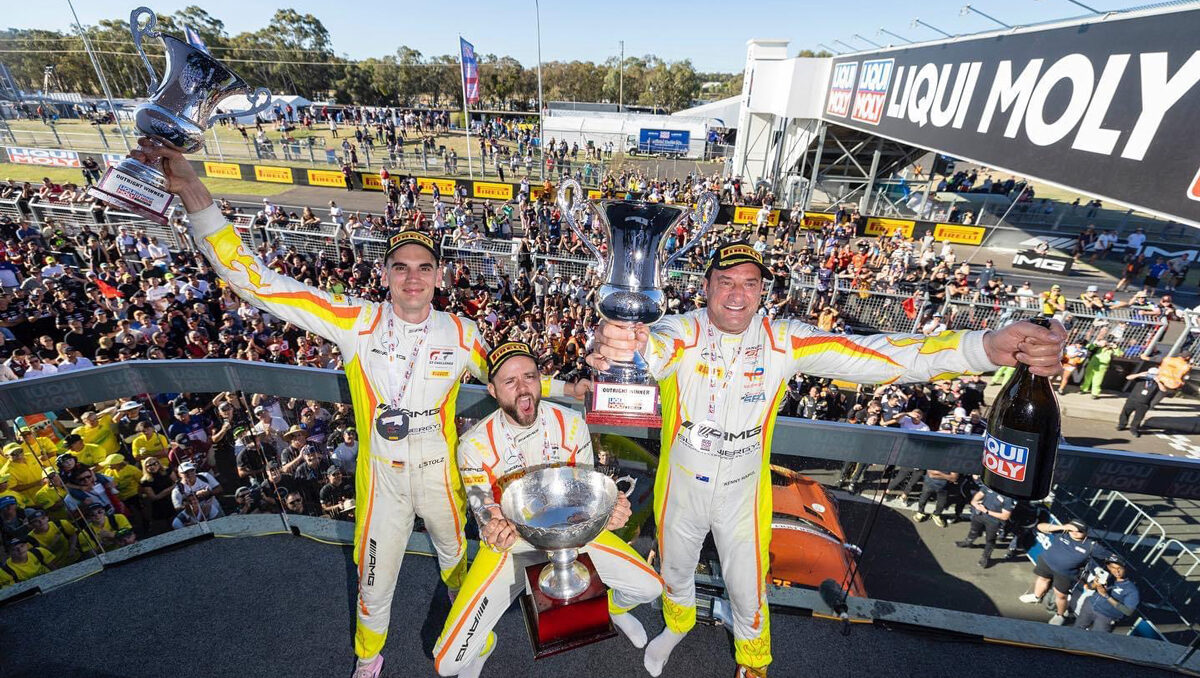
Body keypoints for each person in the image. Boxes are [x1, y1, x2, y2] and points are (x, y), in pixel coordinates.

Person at [128, 136, 588, 678]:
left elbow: (514, 378)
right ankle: (368, 660)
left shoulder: (462, 331)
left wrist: (569, 392)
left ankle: (471, 639)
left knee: (460, 564)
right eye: (400, 267)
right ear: (385, 275)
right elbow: (255, 282)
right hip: (382, 476)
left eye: (423, 267)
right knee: (374, 578)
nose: (412, 277)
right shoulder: (355, 320)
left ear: (440, 276)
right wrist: (194, 193)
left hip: (443, 474)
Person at [588, 242, 1066, 677]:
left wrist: (982, 348)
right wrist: (618, 345)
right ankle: (677, 625)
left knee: (748, 586)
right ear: (707, 285)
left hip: (742, 490)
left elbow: (882, 356)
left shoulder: (784, 340)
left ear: (763, 291)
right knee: (674, 567)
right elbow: (649, 348)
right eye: (726, 281)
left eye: (750, 283)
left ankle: (753, 664)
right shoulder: (680, 329)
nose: (737, 294)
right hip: (682, 484)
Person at [433, 342, 661, 678]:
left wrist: (608, 513)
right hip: (511, 547)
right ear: (493, 391)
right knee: (446, 663)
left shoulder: (570, 423)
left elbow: (585, 496)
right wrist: (491, 525)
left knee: (650, 588)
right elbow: (484, 508)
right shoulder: (474, 444)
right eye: (510, 382)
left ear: (541, 380)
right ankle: (483, 643)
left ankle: (610, 608)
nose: (523, 387)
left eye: (529, 376)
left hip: (572, 537)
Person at [1018, 519, 1112, 625]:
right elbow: (1040, 527)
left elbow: (1111, 557)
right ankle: (1036, 597)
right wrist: (1063, 527)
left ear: (1086, 533)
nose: (1075, 532)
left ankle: (1060, 615)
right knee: (1042, 579)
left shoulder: (1091, 546)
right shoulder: (1062, 532)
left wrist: (1109, 570)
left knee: (1061, 595)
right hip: (1046, 562)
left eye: (1080, 531)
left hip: (1065, 574)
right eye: (1072, 529)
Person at [955, 484, 1015, 569]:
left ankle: (985, 557)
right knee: (973, 530)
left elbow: (1005, 516)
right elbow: (979, 494)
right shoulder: (989, 487)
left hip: (994, 522)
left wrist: (987, 511)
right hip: (979, 515)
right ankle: (968, 542)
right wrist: (975, 503)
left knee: (990, 540)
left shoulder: (1008, 497)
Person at [1075, 555, 1139, 632]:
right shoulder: (1106, 575)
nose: (1117, 571)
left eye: (1119, 568)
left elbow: (1128, 611)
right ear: (1109, 567)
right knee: (1076, 631)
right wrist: (1094, 584)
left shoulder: (1131, 589)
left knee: (1097, 640)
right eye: (1113, 568)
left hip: (1106, 617)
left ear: (1124, 568)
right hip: (1089, 606)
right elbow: (1089, 587)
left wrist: (1106, 596)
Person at [1118, 367, 1171, 437]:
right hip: (1132, 400)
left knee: (1138, 417)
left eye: (1154, 374)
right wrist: (1139, 374)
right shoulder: (1141, 379)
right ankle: (1122, 425)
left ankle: (1134, 429)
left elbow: (1164, 390)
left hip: (1144, 403)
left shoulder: (1157, 383)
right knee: (1125, 413)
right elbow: (1128, 377)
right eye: (1151, 374)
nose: (1152, 376)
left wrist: (1158, 381)